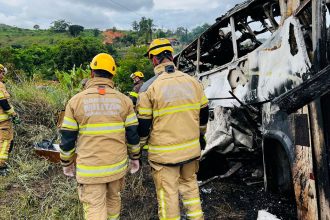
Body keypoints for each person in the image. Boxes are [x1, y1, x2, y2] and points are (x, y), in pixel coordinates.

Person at [59, 53, 141, 220]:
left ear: (91, 73)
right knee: (113, 201)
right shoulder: (125, 101)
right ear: (112, 75)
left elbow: (67, 138)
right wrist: (135, 158)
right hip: (116, 167)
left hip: (90, 170)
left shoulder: (75, 102)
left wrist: (66, 163)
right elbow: (133, 134)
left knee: (95, 207)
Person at [137, 38, 209, 220]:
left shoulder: (148, 88)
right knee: (191, 189)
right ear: (171, 57)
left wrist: (138, 149)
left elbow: (144, 126)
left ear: (154, 60)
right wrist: (201, 136)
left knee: (168, 196)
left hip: (164, 157)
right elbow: (204, 114)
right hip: (191, 152)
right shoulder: (193, 82)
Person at [0, 64, 20, 176]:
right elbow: (3, 102)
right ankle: (1, 166)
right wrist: (13, 114)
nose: (3, 76)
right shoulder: (0, 85)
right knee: (5, 142)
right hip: (2, 122)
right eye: (2, 73)